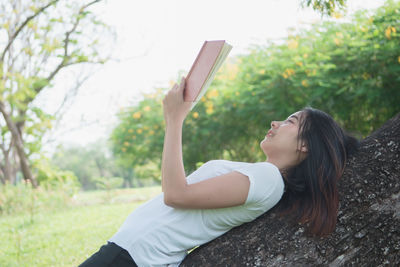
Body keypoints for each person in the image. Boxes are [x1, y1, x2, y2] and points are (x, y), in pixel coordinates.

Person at [79, 77, 359, 267]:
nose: (275, 123)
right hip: (132, 254)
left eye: (290, 121)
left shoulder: (268, 179)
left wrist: (174, 119)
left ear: (306, 145)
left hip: (134, 257)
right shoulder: (263, 177)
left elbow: (176, 194)